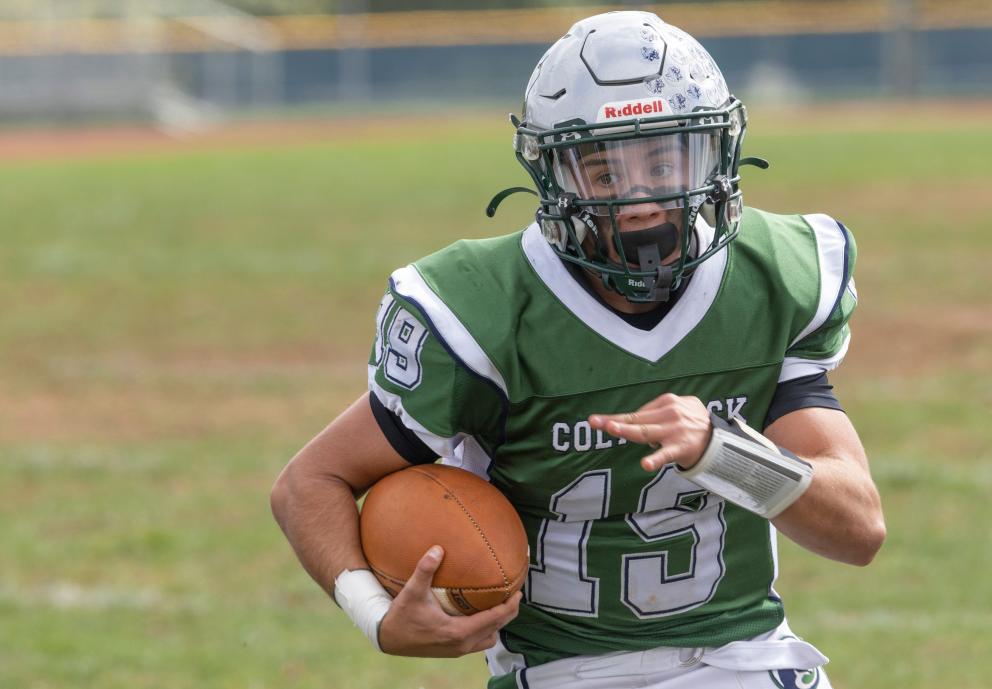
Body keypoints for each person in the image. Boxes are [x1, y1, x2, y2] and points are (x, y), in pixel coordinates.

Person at [271, 11, 885, 689]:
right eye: (604, 169)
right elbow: (309, 483)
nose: (642, 197)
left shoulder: (776, 277)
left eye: (663, 157)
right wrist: (377, 616)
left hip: (742, 660)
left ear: (713, 152)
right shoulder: (481, 310)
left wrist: (726, 451)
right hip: (562, 672)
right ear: (554, 176)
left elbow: (857, 529)